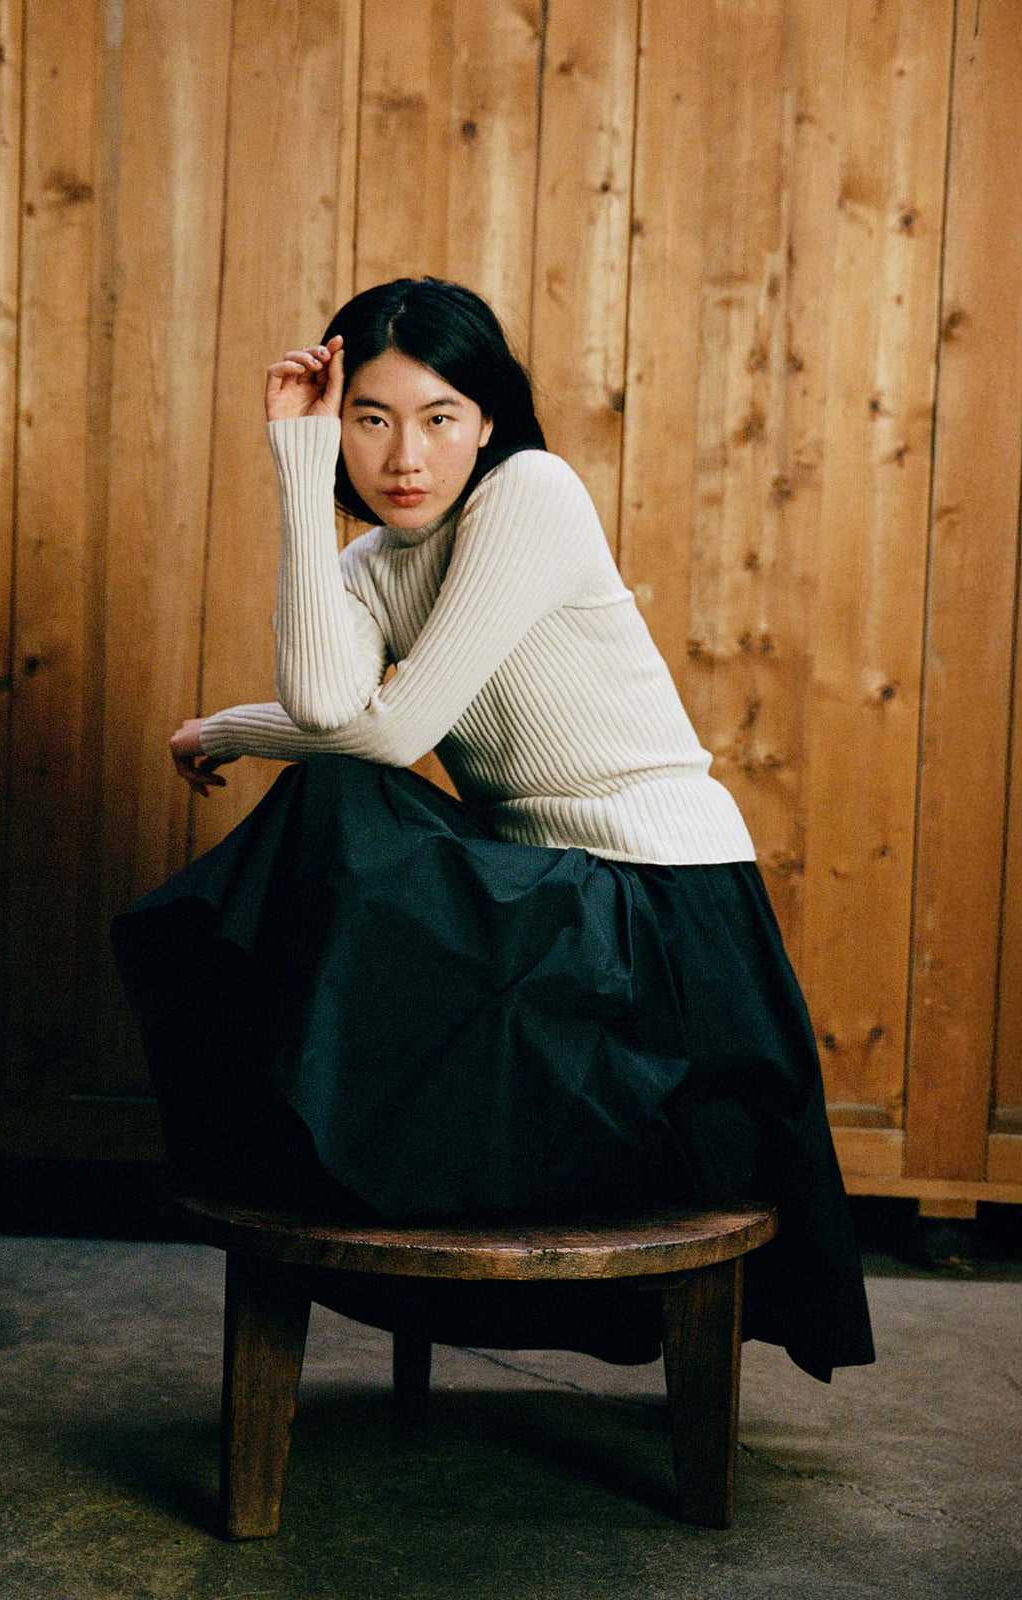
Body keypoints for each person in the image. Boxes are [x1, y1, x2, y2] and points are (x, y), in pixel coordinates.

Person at [112, 276, 874, 1382]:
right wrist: (294, 463)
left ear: (488, 424)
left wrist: (232, 728)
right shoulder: (370, 565)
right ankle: (294, 1147)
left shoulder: (533, 494)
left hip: (661, 915)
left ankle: (281, 1126)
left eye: (439, 419)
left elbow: (391, 729)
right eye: (370, 421)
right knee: (334, 805)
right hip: (551, 899)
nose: (404, 459)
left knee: (337, 799)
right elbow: (334, 703)